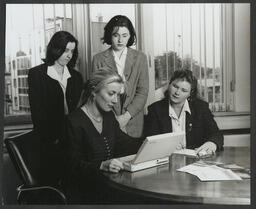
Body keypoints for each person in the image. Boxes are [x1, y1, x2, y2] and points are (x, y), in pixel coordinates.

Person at [64, 69, 143, 204]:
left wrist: (154, 142)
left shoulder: (109, 116)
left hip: (108, 187)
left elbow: (126, 143)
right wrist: (101, 165)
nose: (115, 101)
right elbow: (72, 166)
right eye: (111, 94)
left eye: (117, 95)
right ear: (94, 91)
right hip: (84, 193)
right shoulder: (73, 121)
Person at [28, 31, 83, 180]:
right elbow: (38, 115)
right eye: (65, 50)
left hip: (72, 140)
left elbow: (77, 113)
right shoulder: (36, 74)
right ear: (55, 49)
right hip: (47, 142)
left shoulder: (76, 77)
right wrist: (55, 139)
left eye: (72, 51)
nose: (69, 55)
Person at [92, 15, 149, 138]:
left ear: (130, 36)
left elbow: (142, 92)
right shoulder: (98, 59)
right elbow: (97, 93)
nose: (120, 40)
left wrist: (126, 116)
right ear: (109, 35)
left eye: (125, 35)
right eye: (116, 35)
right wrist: (115, 119)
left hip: (133, 123)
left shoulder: (140, 58)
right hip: (107, 121)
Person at [144, 69, 223, 156]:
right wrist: (168, 146)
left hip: (194, 162)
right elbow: (150, 142)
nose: (177, 92)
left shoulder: (201, 108)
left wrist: (212, 143)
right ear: (169, 84)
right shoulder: (155, 109)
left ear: (190, 93)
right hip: (166, 160)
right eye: (175, 86)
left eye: (184, 90)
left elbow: (216, 134)